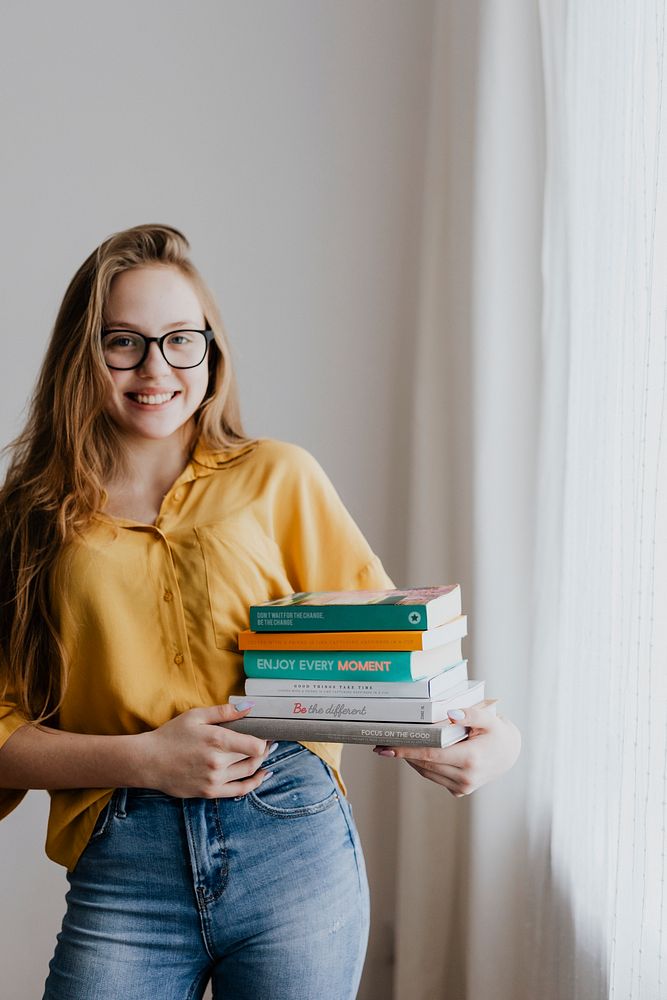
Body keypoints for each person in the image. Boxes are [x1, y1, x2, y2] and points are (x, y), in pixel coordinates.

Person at [0, 224, 520, 1000]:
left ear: (211, 351)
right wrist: (143, 759)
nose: (155, 368)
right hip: (124, 863)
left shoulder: (279, 477)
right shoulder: (27, 520)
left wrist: (493, 738)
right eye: (124, 342)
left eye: (181, 340)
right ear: (84, 352)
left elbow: (396, 650)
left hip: (292, 841)